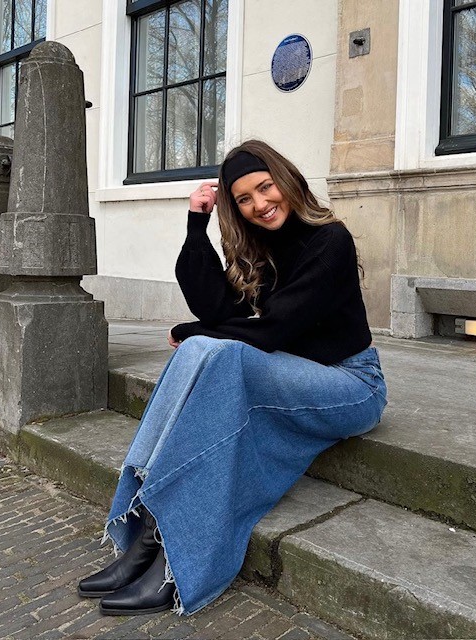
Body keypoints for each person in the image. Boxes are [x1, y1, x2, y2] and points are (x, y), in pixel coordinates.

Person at [77, 140, 387, 616]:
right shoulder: (259, 251)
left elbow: (273, 329)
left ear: (286, 181)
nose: (260, 204)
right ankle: (148, 532)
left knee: (214, 352)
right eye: (245, 199)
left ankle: (171, 551)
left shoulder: (330, 241)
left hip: (349, 385)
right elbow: (215, 307)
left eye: (265, 188)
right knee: (205, 351)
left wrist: (193, 332)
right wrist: (196, 223)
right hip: (289, 374)